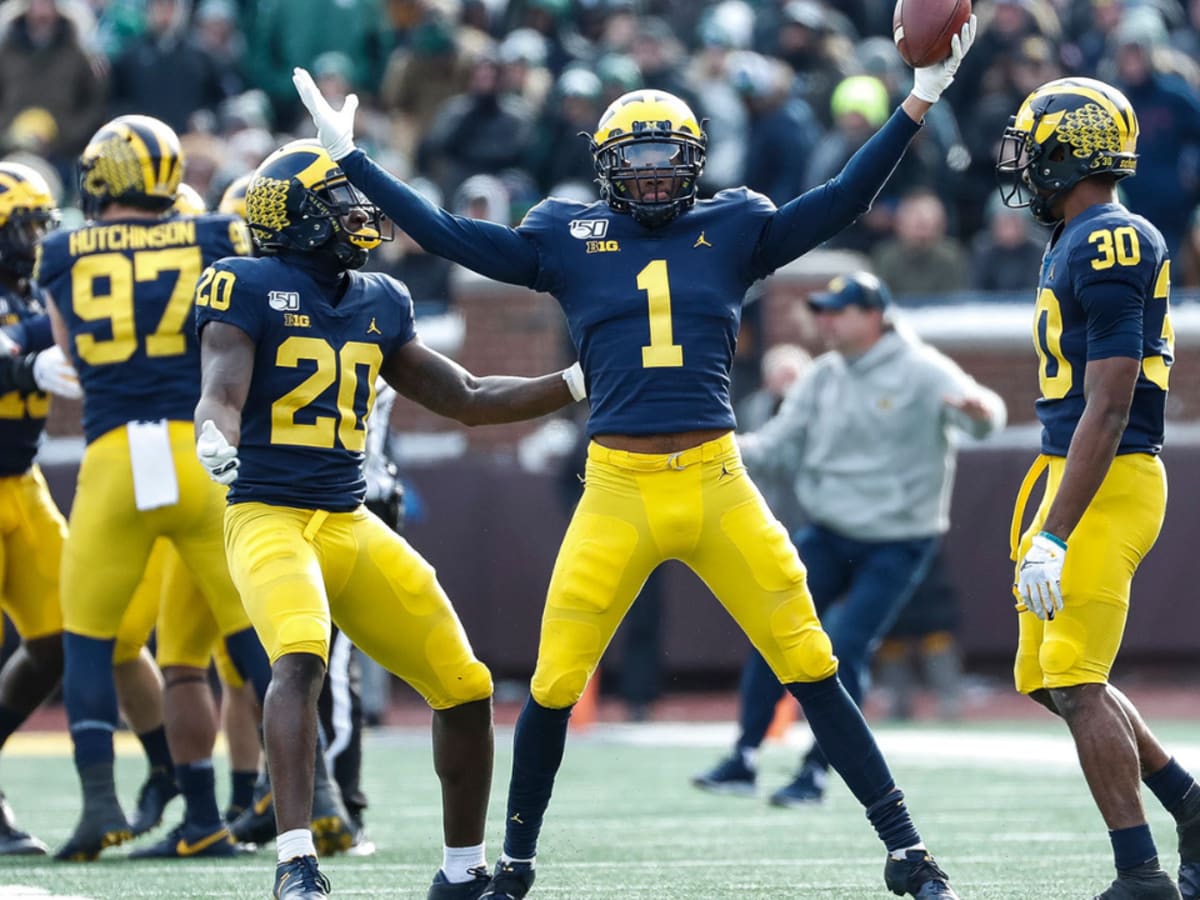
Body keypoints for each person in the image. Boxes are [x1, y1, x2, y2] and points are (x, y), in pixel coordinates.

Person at [294, 13, 977, 899]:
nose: (654, 173)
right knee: (552, 682)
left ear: (693, 161)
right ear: (608, 163)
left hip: (717, 479)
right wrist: (355, 162)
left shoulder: (737, 226)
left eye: (668, 156)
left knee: (810, 662)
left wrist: (920, 99)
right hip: (615, 485)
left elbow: (843, 197)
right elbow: (453, 235)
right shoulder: (564, 236)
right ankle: (516, 865)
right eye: (639, 156)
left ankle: (907, 851)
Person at [192, 138, 585, 900]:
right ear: (300, 216)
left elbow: (466, 396)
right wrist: (215, 433)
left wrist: (576, 379)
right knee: (300, 659)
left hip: (348, 518)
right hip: (269, 514)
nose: (360, 214)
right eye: (341, 200)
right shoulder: (242, 284)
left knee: (465, 687)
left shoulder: (379, 299)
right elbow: (221, 386)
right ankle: (297, 861)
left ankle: (463, 870)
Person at [35, 113, 275, 861]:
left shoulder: (60, 250)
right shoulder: (212, 236)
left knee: (89, 637)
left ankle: (101, 804)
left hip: (113, 457)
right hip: (198, 448)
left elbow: (72, 356)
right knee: (252, 635)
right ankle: (317, 789)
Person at [692, 272, 1005, 807]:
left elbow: (985, 418)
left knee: (842, 645)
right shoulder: (823, 376)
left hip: (899, 539)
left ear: (875, 315)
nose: (827, 319)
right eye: (824, 310)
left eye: (840, 309)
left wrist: (978, 411)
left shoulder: (921, 368)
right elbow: (777, 446)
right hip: (831, 531)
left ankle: (815, 771)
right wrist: (712, 450)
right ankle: (744, 756)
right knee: (777, 632)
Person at [997, 75, 1200, 900]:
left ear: (1065, 151)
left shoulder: (1111, 238)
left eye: (1032, 146)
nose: (1022, 164)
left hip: (1105, 476)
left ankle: (1139, 874)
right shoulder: (1077, 233)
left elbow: (1111, 403)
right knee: (1049, 680)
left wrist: (1056, 531)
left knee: (1077, 679)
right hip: (1061, 467)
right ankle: (1189, 804)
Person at [0, 160, 172, 855]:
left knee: (62, 637)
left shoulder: (33, 291)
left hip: (22, 480)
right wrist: (20, 367)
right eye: (27, 224)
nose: (40, 236)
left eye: (45, 223)